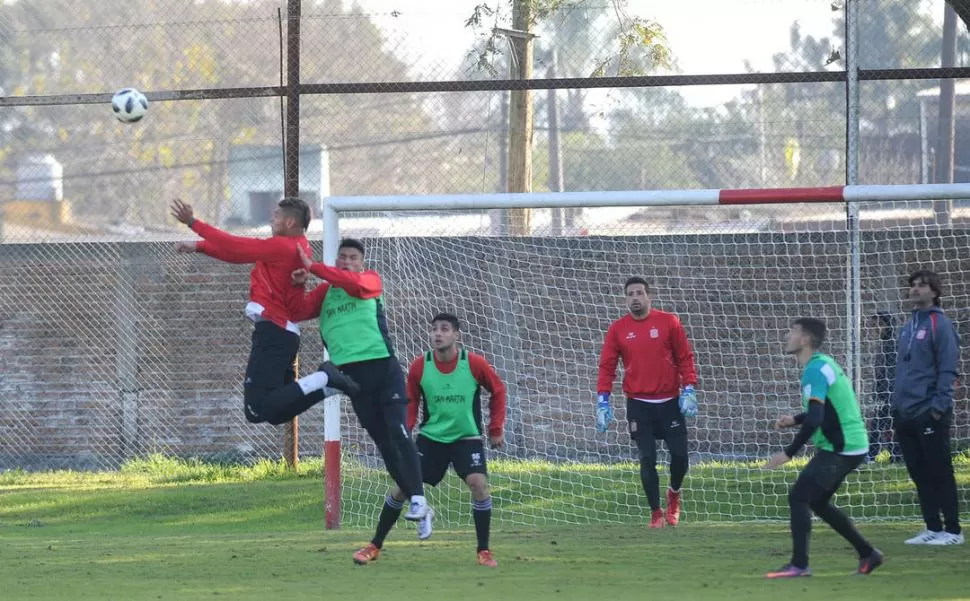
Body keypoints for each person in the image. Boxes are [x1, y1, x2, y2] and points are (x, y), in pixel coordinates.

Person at [170, 197, 359, 426]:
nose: (272, 218)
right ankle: (328, 387)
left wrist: (193, 222)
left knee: (257, 408)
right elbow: (237, 254)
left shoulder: (283, 246)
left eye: (276, 215)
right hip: (282, 333)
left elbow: (235, 246)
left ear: (290, 222)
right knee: (278, 413)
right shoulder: (294, 245)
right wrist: (199, 247)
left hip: (274, 331)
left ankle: (325, 376)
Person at [351, 313, 507, 567]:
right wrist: (403, 434)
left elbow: (498, 390)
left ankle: (484, 551)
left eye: (444, 329)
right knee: (403, 487)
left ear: (456, 335)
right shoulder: (419, 366)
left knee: (479, 484)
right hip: (431, 438)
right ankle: (374, 545)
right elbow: (410, 402)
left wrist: (496, 428)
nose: (438, 334)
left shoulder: (474, 363)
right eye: (434, 329)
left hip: (466, 438)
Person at [290, 239, 429, 522]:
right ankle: (418, 503)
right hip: (352, 378)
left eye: (353, 257)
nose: (346, 261)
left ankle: (417, 498)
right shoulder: (326, 291)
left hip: (382, 367)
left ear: (361, 262)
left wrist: (315, 266)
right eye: (341, 257)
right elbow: (297, 311)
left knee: (398, 430)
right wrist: (298, 284)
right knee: (383, 442)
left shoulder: (369, 280)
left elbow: (353, 283)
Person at [766, 318, 883, 578]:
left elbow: (817, 418)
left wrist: (788, 453)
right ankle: (869, 554)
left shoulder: (814, 370)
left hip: (841, 447)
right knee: (817, 501)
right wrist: (795, 419)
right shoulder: (822, 365)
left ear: (805, 339)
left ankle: (799, 564)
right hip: (851, 443)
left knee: (799, 496)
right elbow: (822, 410)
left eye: (792, 331)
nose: (787, 336)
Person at [595, 276, 698, 528]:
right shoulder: (617, 329)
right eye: (630, 294)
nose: (635, 298)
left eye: (639, 293)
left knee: (680, 456)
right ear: (625, 299)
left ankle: (673, 493)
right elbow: (607, 367)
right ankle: (655, 512)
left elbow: (685, 357)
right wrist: (602, 401)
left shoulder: (669, 322)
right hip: (639, 404)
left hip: (670, 401)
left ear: (649, 296)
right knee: (647, 458)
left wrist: (689, 388)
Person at [892, 270, 963, 545]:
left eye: (922, 285)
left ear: (934, 292)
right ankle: (932, 527)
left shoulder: (940, 324)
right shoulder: (907, 326)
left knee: (939, 470)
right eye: (913, 285)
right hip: (904, 411)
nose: (916, 290)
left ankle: (953, 531)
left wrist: (938, 406)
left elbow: (947, 368)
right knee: (918, 472)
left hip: (929, 410)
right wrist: (897, 406)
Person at [867, 312, 900, 462]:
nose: (876, 328)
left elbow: (892, 372)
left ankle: (872, 455)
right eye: (874, 325)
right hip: (883, 392)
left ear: (888, 325)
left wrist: (886, 393)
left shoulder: (893, 344)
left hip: (890, 393)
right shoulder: (884, 343)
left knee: (880, 424)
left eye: (879, 324)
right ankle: (895, 456)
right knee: (882, 424)